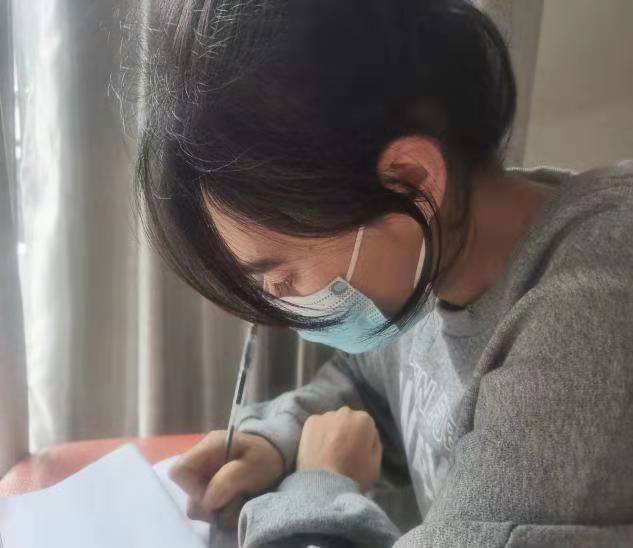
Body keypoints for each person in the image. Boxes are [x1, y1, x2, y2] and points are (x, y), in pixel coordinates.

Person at [130, 0, 633, 546]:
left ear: (410, 180)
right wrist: (280, 441)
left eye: (281, 276)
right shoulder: (433, 258)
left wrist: (319, 487)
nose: (277, 305)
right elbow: (367, 386)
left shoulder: (591, 317)